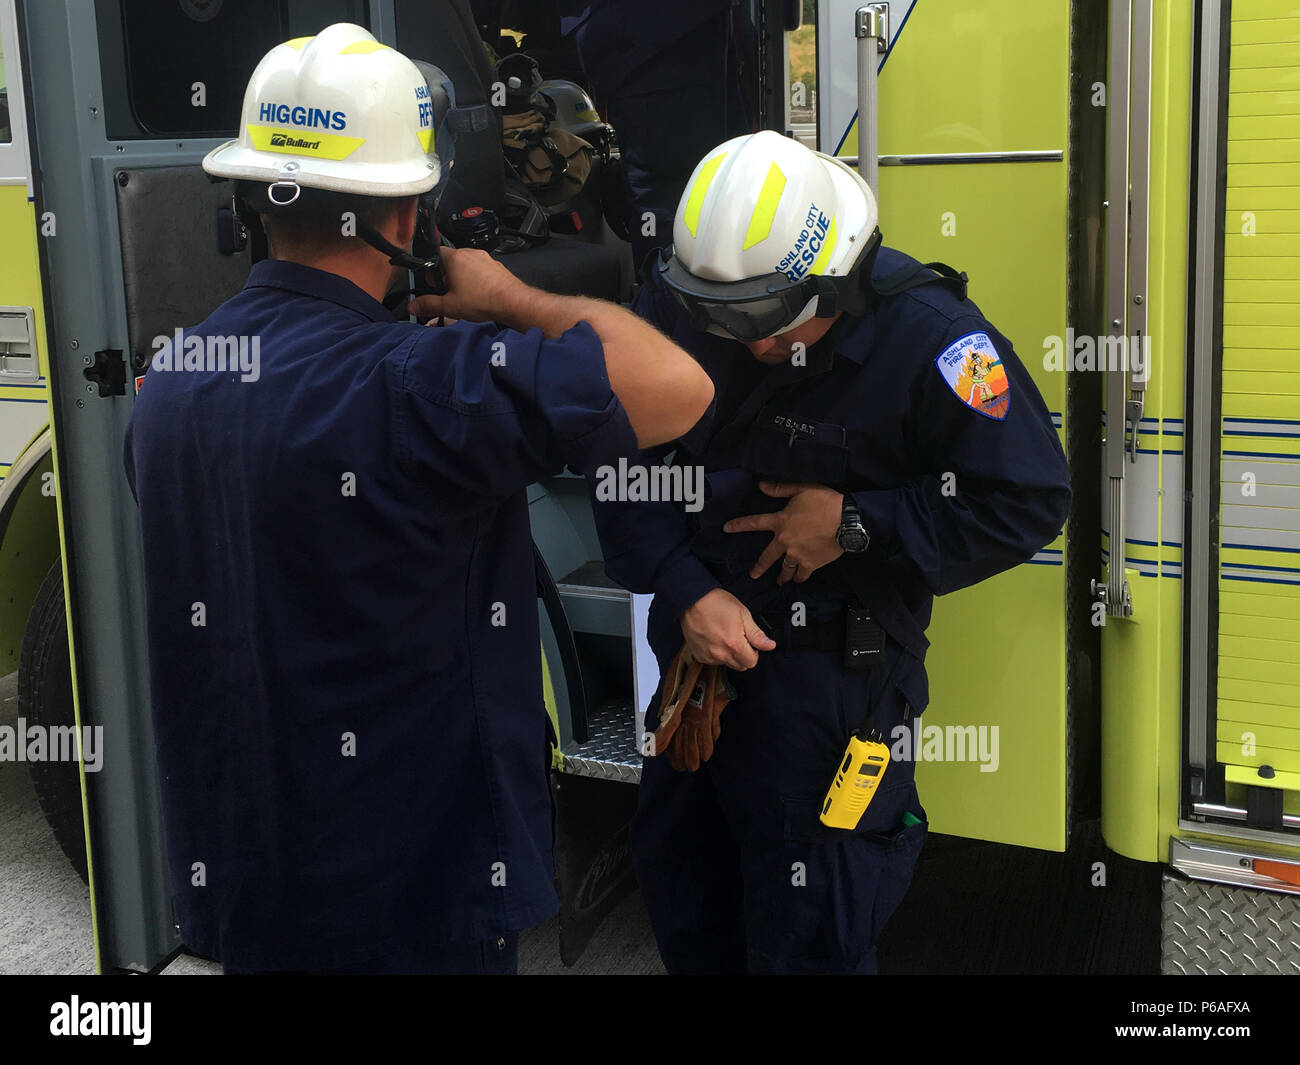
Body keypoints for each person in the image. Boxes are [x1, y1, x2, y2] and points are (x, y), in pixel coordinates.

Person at [122, 23, 712, 975]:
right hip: (412, 898)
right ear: (409, 219)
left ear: (248, 200)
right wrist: (510, 299)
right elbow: (678, 386)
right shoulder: (424, 383)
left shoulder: (173, 381)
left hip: (248, 886)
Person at [590, 130, 1072, 974]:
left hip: (830, 699)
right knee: (687, 905)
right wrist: (682, 590)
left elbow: (1027, 498)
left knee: (813, 940)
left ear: (838, 275)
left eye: (764, 318)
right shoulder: (689, 301)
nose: (742, 340)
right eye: (718, 315)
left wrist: (858, 522)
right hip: (694, 674)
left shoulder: (935, 341)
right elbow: (617, 464)